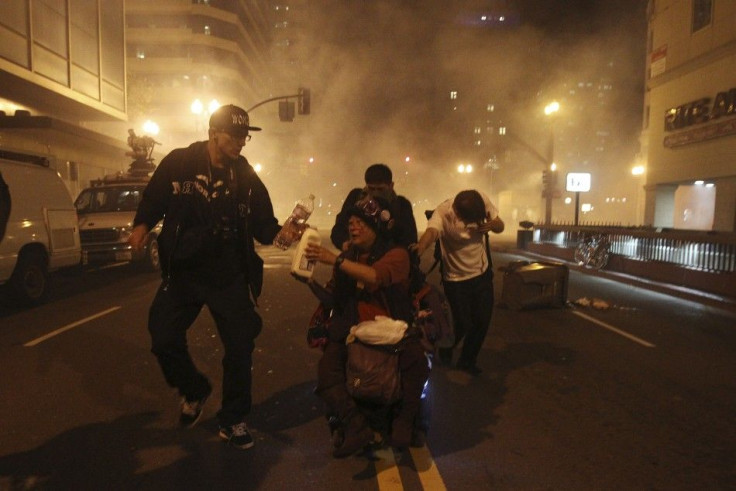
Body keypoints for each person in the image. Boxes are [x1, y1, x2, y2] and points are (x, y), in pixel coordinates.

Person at [128, 104, 282, 450]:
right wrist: (141, 226)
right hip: (183, 270)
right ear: (214, 133)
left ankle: (234, 419)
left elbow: (264, 224)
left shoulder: (244, 175)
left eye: (245, 136)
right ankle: (194, 390)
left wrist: (285, 232)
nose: (242, 142)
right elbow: (154, 198)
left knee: (240, 346)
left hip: (228, 274)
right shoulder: (180, 162)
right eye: (236, 135)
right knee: (163, 336)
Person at [302, 196, 429, 457]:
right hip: (352, 329)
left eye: (361, 223)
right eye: (350, 223)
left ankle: (405, 421)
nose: (353, 228)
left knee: (416, 361)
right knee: (327, 372)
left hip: (393, 329)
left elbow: (374, 276)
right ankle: (356, 426)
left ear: (378, 227)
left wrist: (335, 259)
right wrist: (309, 281)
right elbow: (334, 297)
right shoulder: (350, 255)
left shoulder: (397, 255)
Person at [411, 189, 504, 376]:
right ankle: (446, 345)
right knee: (463, 322)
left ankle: (467, 361)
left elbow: (500, 225)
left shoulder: (481, 200)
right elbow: (431, 232)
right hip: (455, 279)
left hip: (481, 272)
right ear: (457, 212)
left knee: (482, 321)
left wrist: (492, 224)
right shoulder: (442, 213)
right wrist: (420, 247)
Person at [330, 163, 417, 251]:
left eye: (380, 189)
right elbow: (339, 228)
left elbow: (409, 241)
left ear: (391, 186)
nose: (376, 194)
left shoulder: (401, 205)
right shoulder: (355, 197)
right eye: (371, 189)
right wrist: (344, 243)